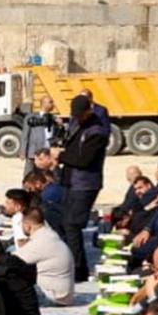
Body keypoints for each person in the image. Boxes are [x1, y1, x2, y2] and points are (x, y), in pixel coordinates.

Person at [56, 94, 109, 287]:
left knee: (73, 225)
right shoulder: (78, 125)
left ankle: (78, 270)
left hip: (85, 184)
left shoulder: (97, 131)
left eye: (80, 115)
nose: (78, 118)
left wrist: (60, 156)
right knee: (66, 223)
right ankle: (72, 265)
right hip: (72, 182)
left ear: (89, 111)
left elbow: (84, 160)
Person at [14, 204, 75, 306]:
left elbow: (11, 261)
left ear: (27, 225)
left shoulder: (40, 242)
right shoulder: (48, 235)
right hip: (63, 295)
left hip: (53, 297)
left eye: (21, 223)